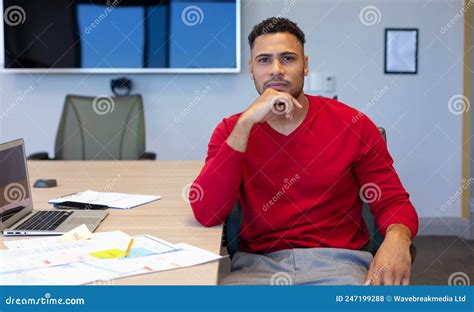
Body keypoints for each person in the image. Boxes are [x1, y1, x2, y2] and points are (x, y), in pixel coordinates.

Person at [190, 17, 418, 285]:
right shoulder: (232, 130)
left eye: (288, 58)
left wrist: (398, 238)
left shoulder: (353, 125)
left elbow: (393, 202)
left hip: (340, 266)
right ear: (251, 69)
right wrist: (245, 125)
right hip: (257, 269)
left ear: (305, 65)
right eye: (264, 60)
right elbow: (207, 213)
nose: (276, 70)